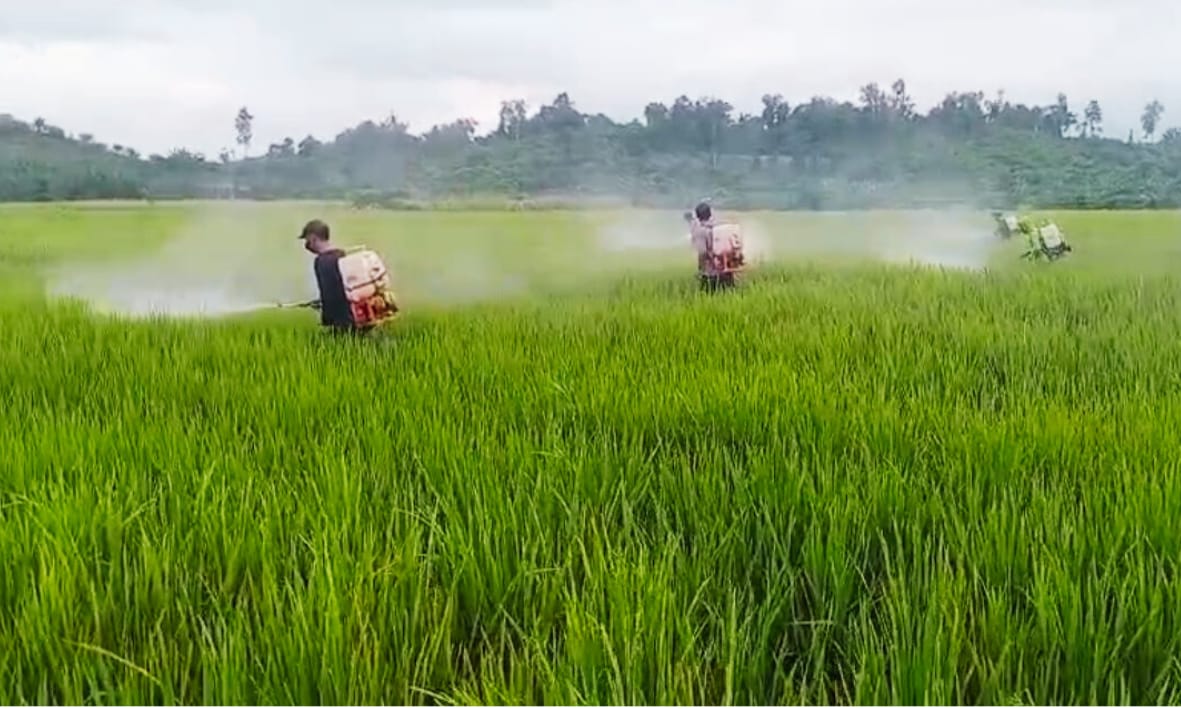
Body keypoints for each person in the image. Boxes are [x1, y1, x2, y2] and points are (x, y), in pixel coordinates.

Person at [297, 219, 354, 331]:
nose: (307, 244)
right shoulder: (341, 254)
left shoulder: (322, 261)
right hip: (354, 315)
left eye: (307, 240)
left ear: (313, 237)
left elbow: (330, 294)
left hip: (342, 322)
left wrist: (325, 311)